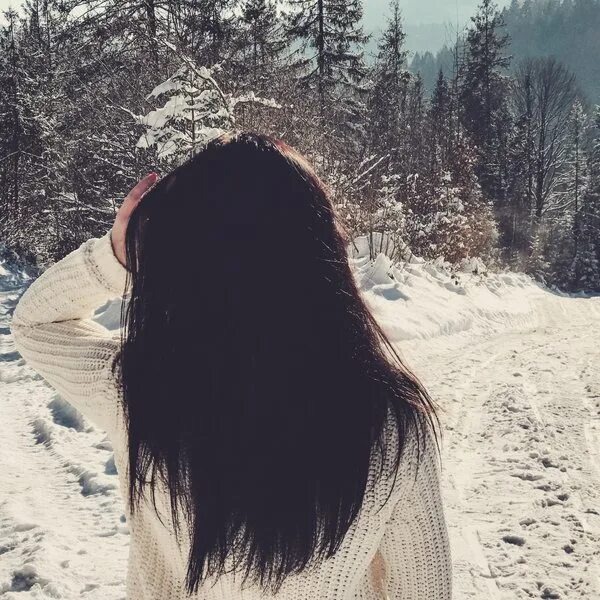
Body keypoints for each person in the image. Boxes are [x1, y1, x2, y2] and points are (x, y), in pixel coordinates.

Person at [10, 131, 452, 599]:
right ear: (322, 256)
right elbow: (423, 590)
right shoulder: (393, 427)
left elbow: (35, 324)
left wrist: (115, 257)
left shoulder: (141, 389)